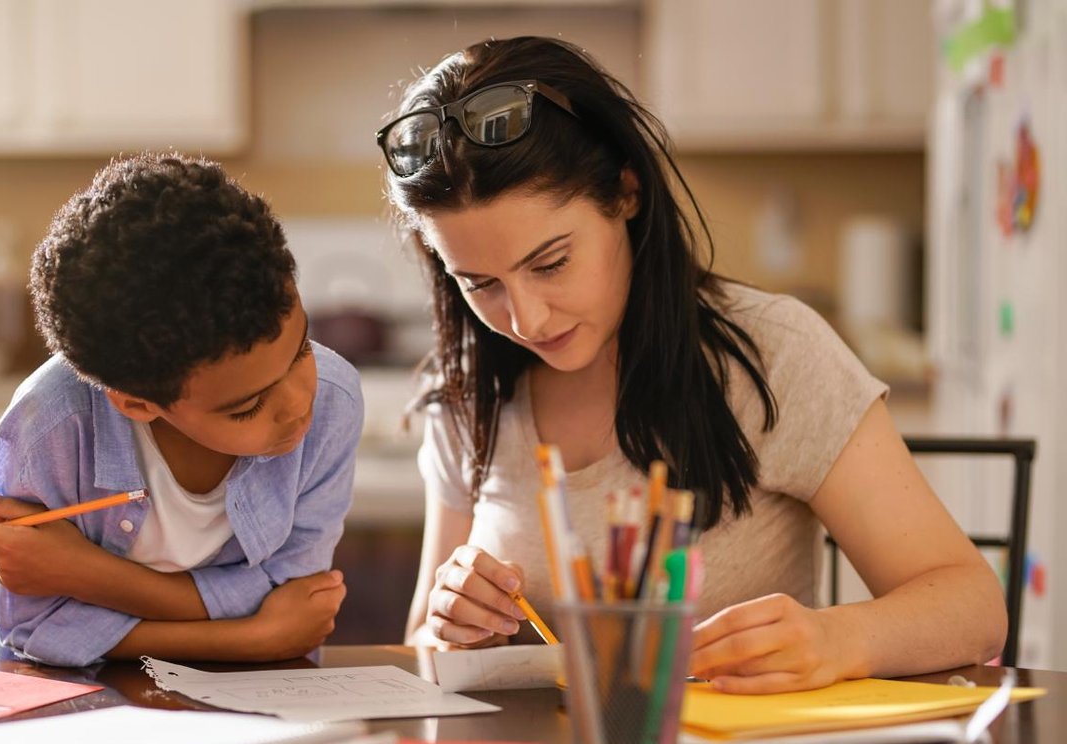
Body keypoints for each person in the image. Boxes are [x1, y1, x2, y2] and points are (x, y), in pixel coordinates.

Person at [379, 36, 1006, 694]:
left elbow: (974, 607)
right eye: (480, 283)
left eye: (551, 262)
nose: (526, 318)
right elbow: (421, 641)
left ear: (626, 191)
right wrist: (445, 629)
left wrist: (837, 638)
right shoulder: (465, 390)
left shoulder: (773, 354)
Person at [0, 152, 361, 668]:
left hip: (254, 698)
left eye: (302, 348)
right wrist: (251, 637)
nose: (297, 406)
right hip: (66, 711)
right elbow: (35, 631)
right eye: (247, 407)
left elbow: (299, 598)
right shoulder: (48, 429)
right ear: (136, 403)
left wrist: (84, 574)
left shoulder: (334, 398)